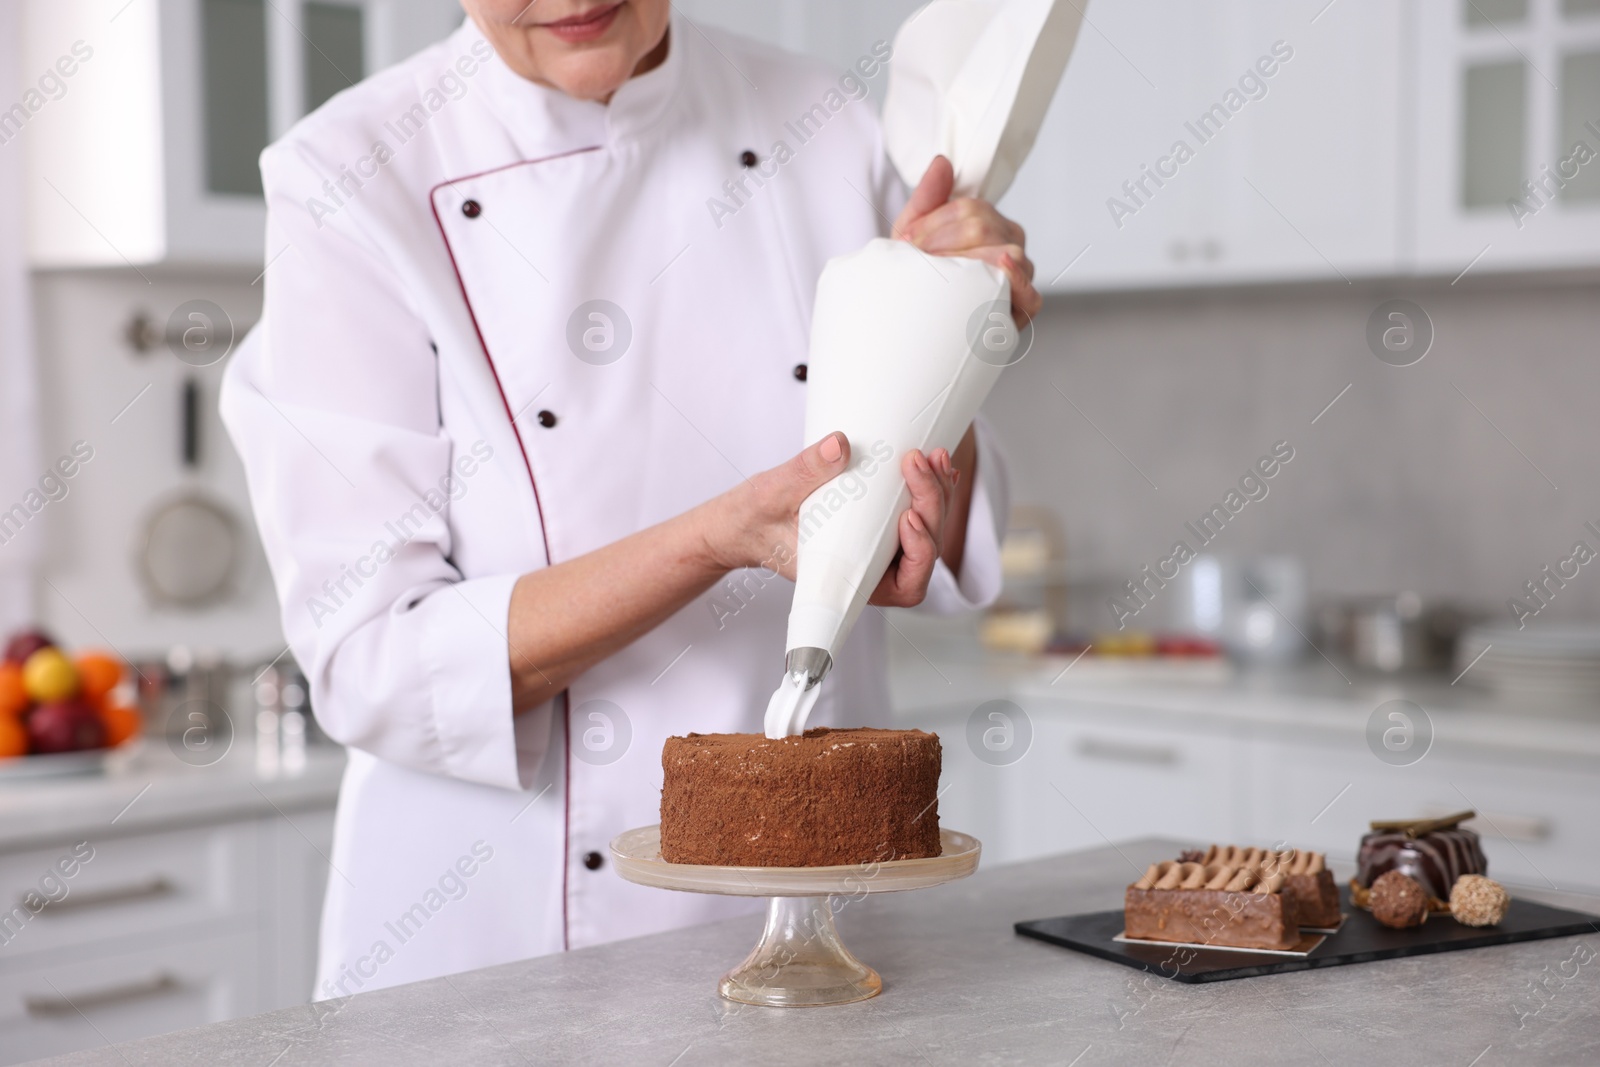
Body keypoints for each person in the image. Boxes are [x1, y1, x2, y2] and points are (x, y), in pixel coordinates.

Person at [221, 0, 1040, 999]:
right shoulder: (349, 173)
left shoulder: (819, 122)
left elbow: (930, 522)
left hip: (819, 922)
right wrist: (713, 540)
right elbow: (375, 661)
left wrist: (952, 329)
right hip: (492, 937)